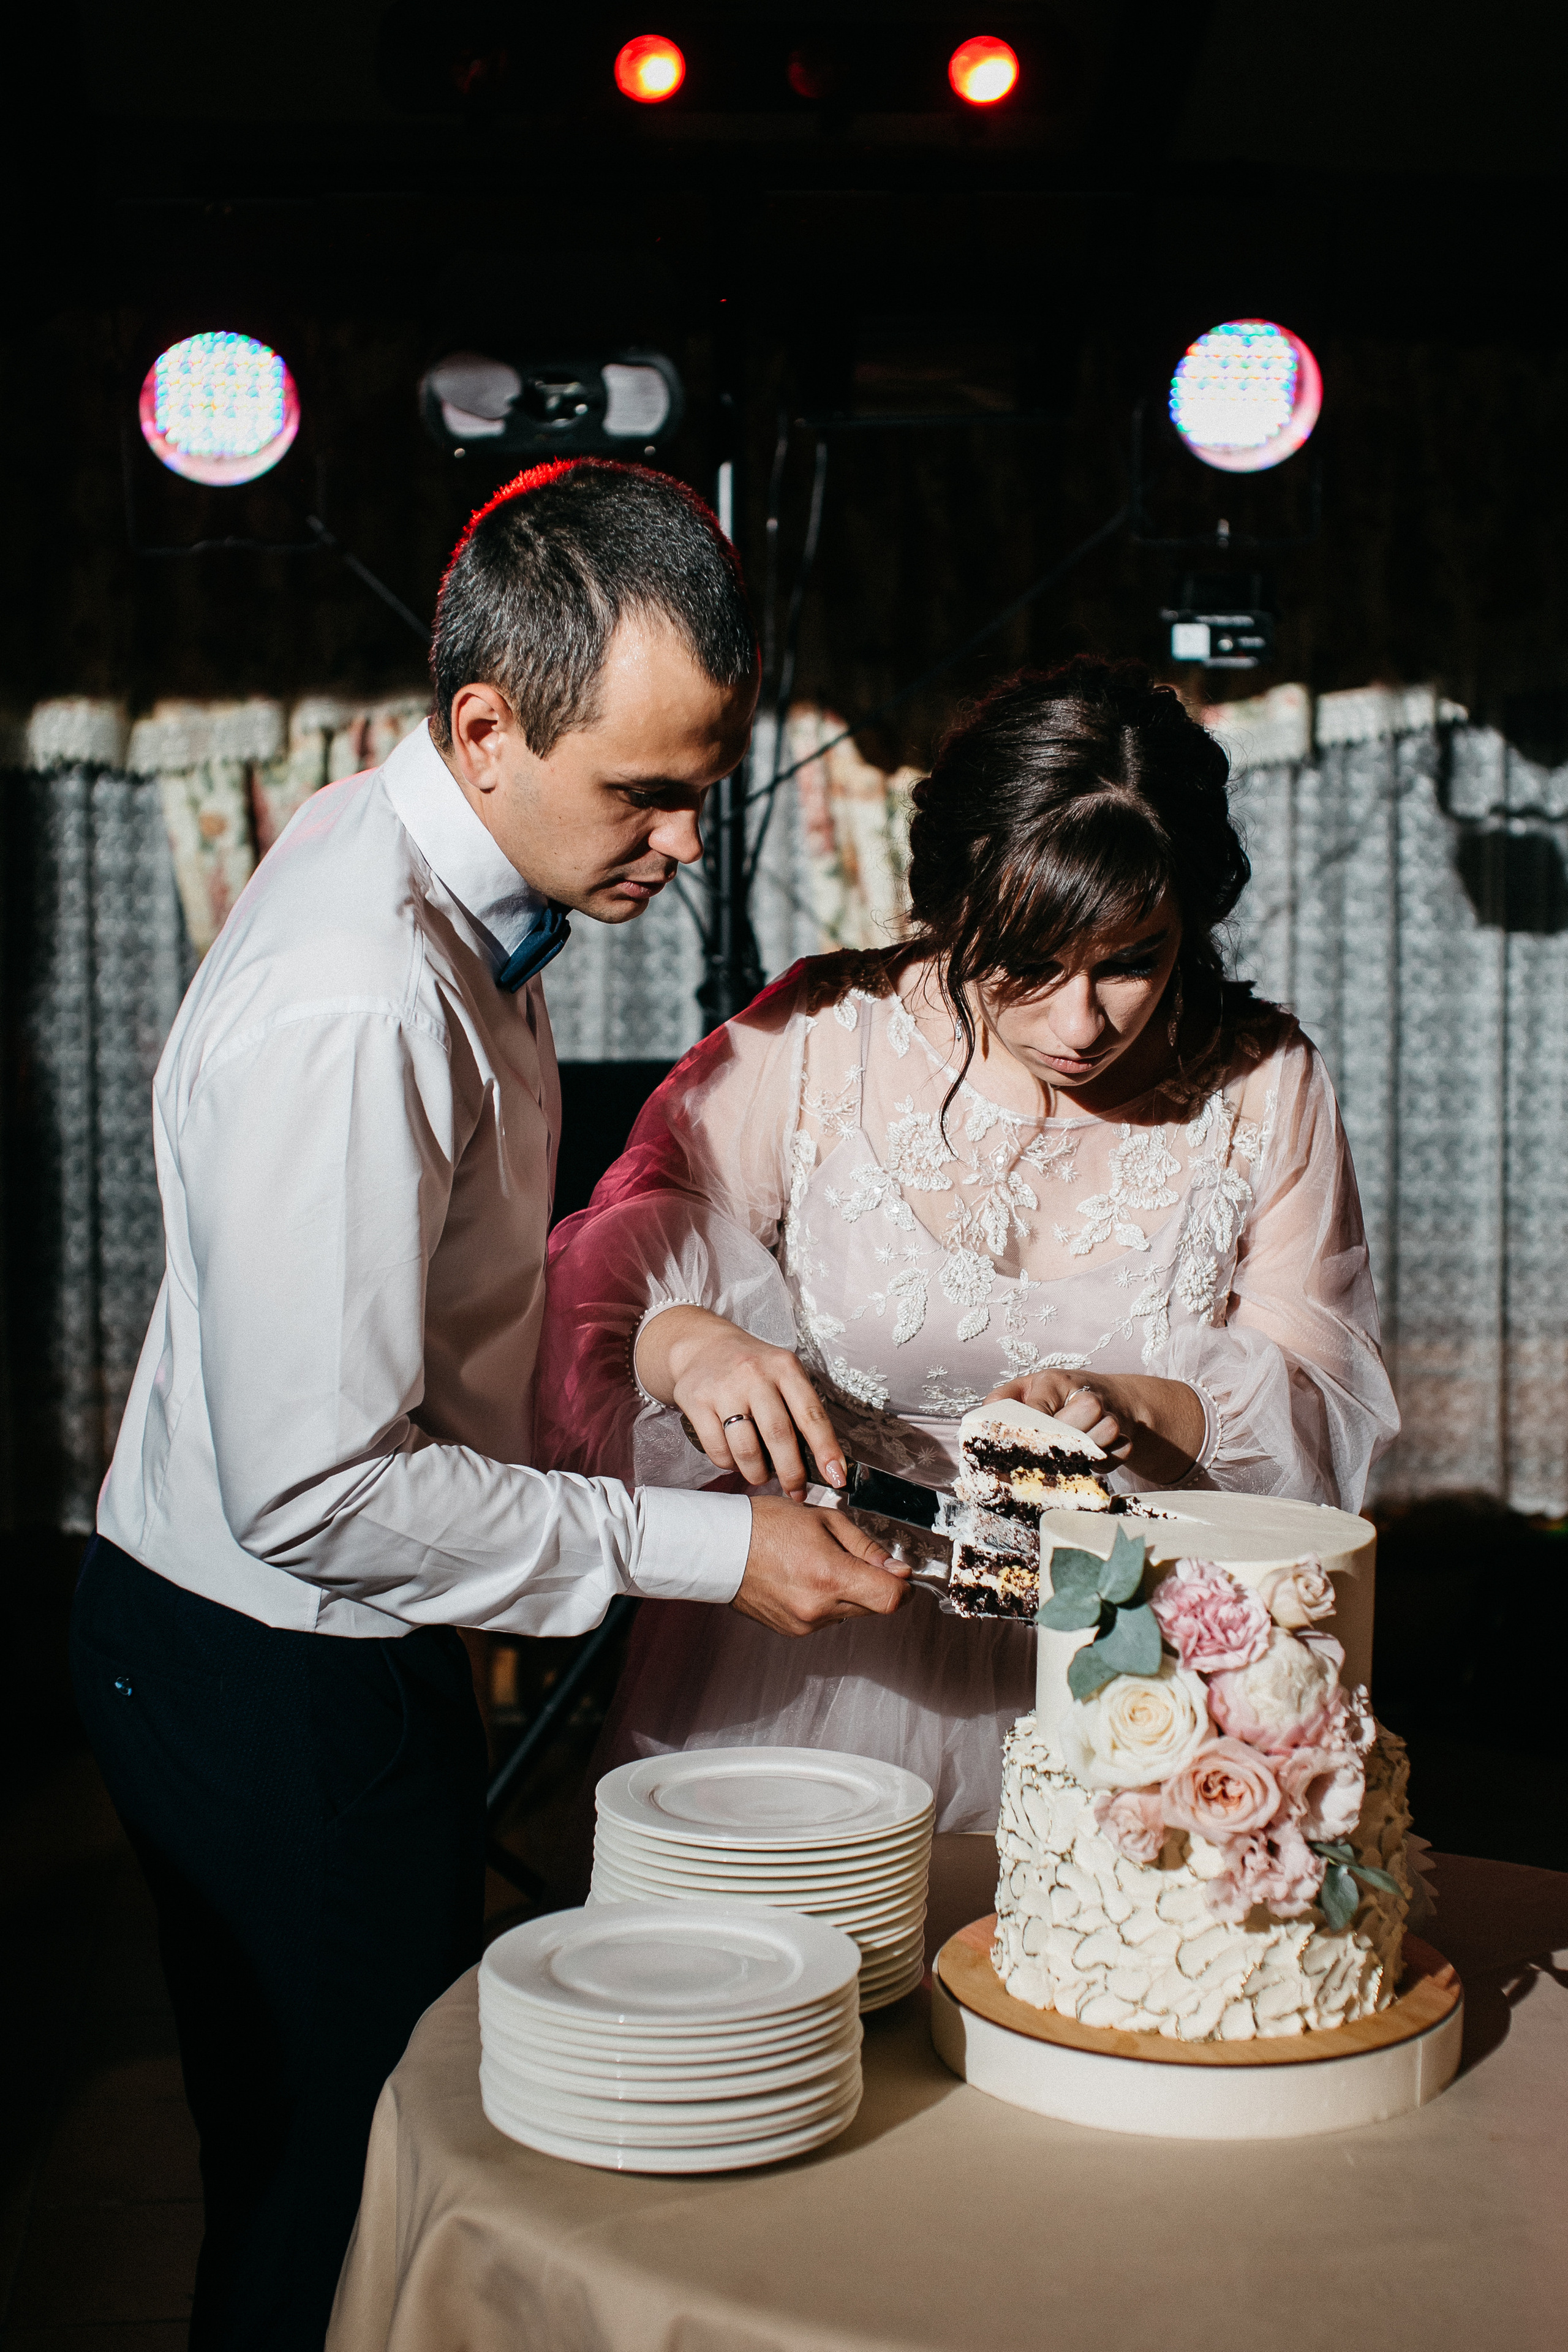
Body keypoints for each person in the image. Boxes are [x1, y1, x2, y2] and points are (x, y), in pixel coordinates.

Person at [70, 459, 904, 2352]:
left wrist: (669, 1353)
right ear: (484, 727)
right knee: (338, 2192)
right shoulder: (362, 998)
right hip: (274, 1663)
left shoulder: (441, 859)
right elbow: (320, 1493)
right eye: (646, 792)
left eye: (702, 784)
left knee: (334, 2168)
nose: (688, 843)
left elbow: (441, 1290)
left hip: (291, 1646)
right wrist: (710, 1547)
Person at [537, 656, 1400, 1836]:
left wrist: (1153, 1408)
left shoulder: (1265, 1082)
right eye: (1027, 967)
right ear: (950, 907)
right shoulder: (818, 1039)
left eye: (1132, 962)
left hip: (1140, 1686)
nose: (1080, 1023)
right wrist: (691, 1349)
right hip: (819, 1663)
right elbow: (607, 1273)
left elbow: (1322, 1395)